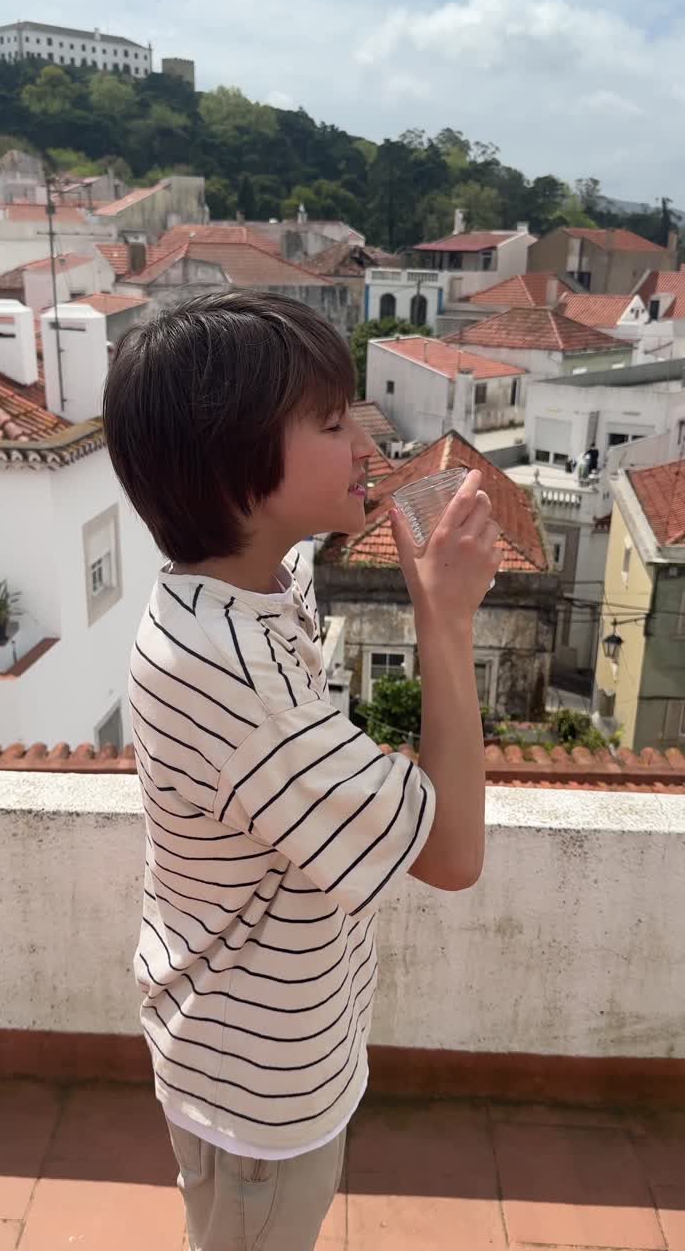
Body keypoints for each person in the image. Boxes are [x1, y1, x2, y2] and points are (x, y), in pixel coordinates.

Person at [102, 290, 500, 1251]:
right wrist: (444, 622)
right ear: (236, 467)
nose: (366, 443)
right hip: (258, 1097)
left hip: (250, 1041)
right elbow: (451, 854)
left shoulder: (247, 591)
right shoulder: (236, 677)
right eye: (330, 421)